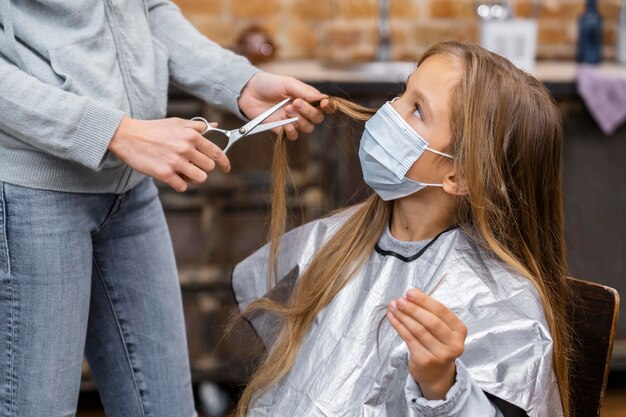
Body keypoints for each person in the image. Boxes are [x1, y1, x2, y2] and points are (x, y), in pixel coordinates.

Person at [0, 1, 327, 416]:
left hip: (131, 193)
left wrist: (239, 82)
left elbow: (148, 10)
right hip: (32, 194)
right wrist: (112, 132)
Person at [232, 41, 571, 417]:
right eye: (402, 93)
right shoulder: (337, 240)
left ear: (459, 174)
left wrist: (443, 385)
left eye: (417, 110)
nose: (389, 112)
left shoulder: (498, 301)